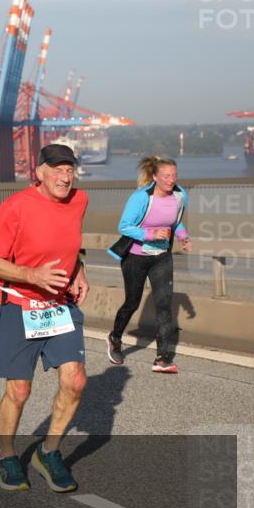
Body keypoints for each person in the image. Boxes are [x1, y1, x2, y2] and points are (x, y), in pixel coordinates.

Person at [0, 143, 89, 493]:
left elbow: (69, 244)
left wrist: (79, 270)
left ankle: (49, 451)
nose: (65, 175)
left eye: (70, 168)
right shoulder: (16, 206)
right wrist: (33, 276)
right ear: (39, 171)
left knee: (75, 381)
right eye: (57, 169)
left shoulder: (79, 201)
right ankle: (6, 454)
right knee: (19, 389)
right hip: (20, 303)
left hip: (58, 304)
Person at [107, 156, 191, 374]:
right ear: (155, 177)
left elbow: (175, 220)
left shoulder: (180, 196)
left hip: (162, 256)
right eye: (166, 176)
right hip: (135, 257)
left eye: (174, 175)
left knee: (164, 305)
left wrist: (182, 235)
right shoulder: (142, 197)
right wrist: (150, 234)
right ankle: (115, 339)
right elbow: (124, 226)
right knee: (132, 303)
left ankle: (162, 358)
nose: (171, 180)